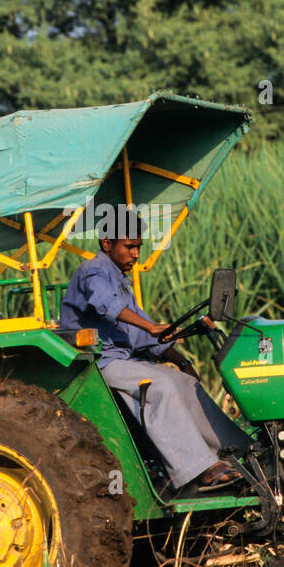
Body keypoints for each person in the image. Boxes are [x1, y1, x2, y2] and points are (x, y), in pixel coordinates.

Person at [59, 208, 252, 491]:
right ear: (107, 244)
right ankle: (199, 469)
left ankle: (239, 451)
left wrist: (181, 360)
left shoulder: (122, 282)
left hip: (124, 360)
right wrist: (151, 328)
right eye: (130, 247)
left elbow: (140, 334)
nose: (136, 254)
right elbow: (108, 306)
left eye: (139, 247)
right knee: (159, 385)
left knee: (184, 382)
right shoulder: (93, 271)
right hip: (98, 362)